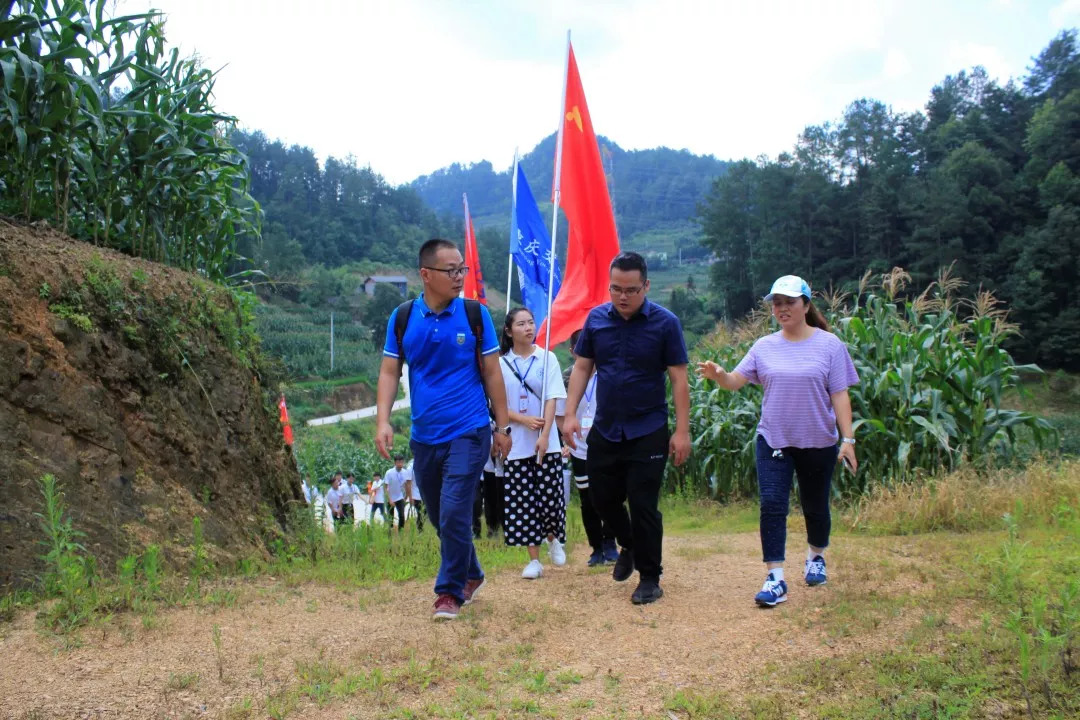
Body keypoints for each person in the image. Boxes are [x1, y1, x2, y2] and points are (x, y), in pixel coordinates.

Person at [697, 274, 859, 607]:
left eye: (789, 302)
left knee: (816, 506)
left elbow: (840, 395)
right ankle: (775, 579)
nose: (782, 309)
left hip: (819, 441)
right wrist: (718, 375)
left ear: (806, 305)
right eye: (777, 303)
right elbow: (735, 381)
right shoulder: (764, 347)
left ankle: (815, 556)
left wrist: (848, 439)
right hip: (774, 439)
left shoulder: (829, 345)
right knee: (772, 505)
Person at [375, 238, 512, 621]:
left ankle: (448, 592)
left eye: (462, 269)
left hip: (469, 429)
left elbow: (492, 373)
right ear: (426, 275)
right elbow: (389, 371)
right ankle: (472, 572)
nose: (459, 277)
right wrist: (383, 420)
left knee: (454, 511)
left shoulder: (473, 314)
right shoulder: (403, 318)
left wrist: (501, 427)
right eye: (451, 270)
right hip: (425, 436)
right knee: (438, 516)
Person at [562, 251, 691, 605]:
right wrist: (570, 413)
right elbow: (582, 367)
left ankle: (650, 577)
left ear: (646, 286)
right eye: (616, 288)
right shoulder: (597, 320)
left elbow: (679, 380)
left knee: (643, 503)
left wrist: (682, 431)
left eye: (631, 290)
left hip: (647, 428)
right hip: (605, 427)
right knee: (602, 499)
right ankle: (630, 544)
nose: (622, 296)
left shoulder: (665, 323)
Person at [497, 307, 568, 579]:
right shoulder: (501, 365)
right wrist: (523, 422)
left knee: (550, 497)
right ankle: (534, 560)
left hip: (545, 444)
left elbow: (552, 398)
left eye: (531, 322)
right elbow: (497, 405)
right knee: (523, 502)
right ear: (508, 330)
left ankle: (553, 539)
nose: (528, 328)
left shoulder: (547, 358)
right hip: (516, 446)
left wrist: (544, 434)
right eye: (521, 324)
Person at [556, 329, 619, 567]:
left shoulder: (607, 374)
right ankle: (596, 548)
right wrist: (566, 438)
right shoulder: (567, 377)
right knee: (587, 498)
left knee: (610, 495)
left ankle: (611, 543)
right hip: (580, 447)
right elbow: (560, 414)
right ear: (573, 352)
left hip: (608, 444)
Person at [384, 455, 410, 532]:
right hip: (390, 497)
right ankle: (390, 532)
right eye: (398, 462)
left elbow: (406, 485)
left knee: (402, 516)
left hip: (400, 497)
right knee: (390, 517)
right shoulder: (389, 472)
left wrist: (406, 497)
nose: (400, 464)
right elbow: (385, 487)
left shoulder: (405, 472)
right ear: (395, 463)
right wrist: (390, 499)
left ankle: (400, 532)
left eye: (401, 462)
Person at [404, 459, 424, 532]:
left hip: (424, 495)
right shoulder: (410, 468)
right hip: (416, 496)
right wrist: (410, 497)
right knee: (420, 514)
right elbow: (408, 483)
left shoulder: (424, 464)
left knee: (424, 514)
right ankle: (420, 531)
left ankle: (423, 530)